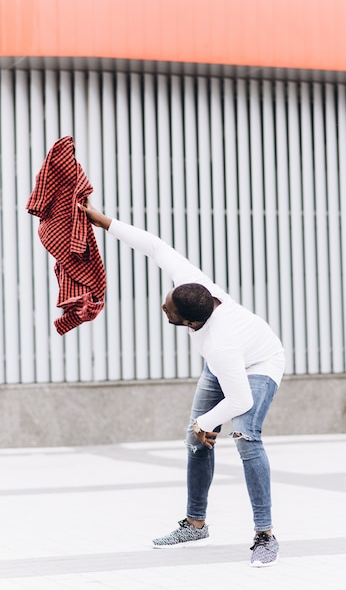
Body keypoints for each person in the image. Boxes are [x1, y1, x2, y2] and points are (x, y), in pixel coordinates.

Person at [80, 201, 286, 567]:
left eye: (168, 310)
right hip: (225, 365)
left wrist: (206, 422)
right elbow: (156, 246)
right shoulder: (194, 287)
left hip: (259, 362)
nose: (163, 305)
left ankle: (264, 535)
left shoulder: (219, 343)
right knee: (195, 439)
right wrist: (103, 222)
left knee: (246, 437)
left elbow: (239, 398)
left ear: (190, 324)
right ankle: (195, 524)